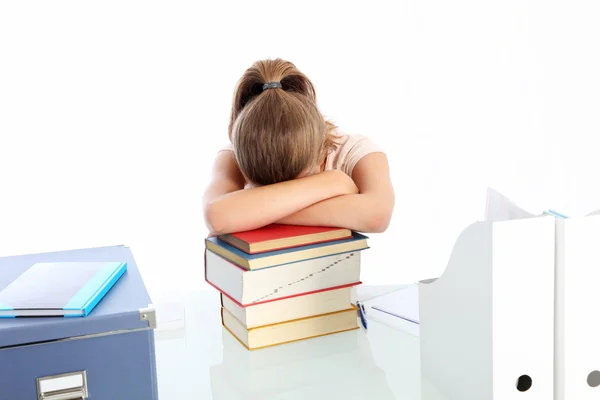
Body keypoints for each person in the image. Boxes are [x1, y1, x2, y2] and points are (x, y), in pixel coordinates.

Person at [203, 58, 395, 235]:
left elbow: (378, 216)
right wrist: (332, 183)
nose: (282, 188)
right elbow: (217, 217)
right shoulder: (238, 151)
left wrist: (250, 213)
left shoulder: (358, 152)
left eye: (295, 180)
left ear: (320, 148)